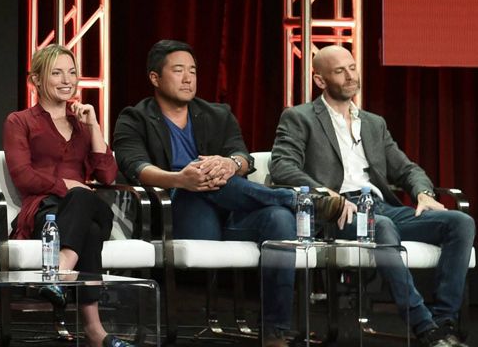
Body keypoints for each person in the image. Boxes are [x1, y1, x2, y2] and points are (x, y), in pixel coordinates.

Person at [111, 40, 347, 347]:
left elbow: (244, 158)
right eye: (178, 71)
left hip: (232, 212)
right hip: (178, 212)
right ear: (155, 78)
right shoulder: (135, 118)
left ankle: (275, 332)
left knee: (278, 220)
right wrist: (180, 179)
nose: (188, 79)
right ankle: (296, 199)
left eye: (193, 71)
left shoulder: (216, 113)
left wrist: (229, 163)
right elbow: (134, 166)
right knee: (213, 179)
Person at [271, 45, 475, 347]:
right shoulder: (299, 117)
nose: (350, 75)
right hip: (338, 210)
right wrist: (324, 190)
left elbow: (406, 168)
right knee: (381, 227)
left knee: (460, 222)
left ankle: (444, 321)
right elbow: (281, 166)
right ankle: (423, 326)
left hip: (378, 206)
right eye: (340, 71)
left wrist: (423, 192)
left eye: (352, 67)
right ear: (320, 80)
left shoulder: (374, 123)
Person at [2, 45, 132, 347]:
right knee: (91, 225)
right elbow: (23, 176)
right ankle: (94, 330)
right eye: (57, 72)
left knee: (87, 204)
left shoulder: (82, 123)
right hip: (45, 213)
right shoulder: (19, 121)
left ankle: (58, 271)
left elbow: (108, 176)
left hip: (83, 207)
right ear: (36, 79)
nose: (67, 79)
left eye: (72, 72)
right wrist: (69, 186)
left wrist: (94, 125)